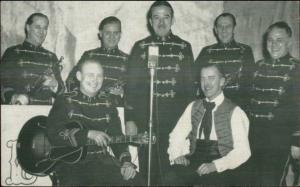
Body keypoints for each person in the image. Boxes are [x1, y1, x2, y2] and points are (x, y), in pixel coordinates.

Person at [125, 1, 195, 184]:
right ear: (150, 21)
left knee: (175, 173)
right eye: (156, 17)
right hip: (146, 120)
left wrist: (190, 125)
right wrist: (130, 119)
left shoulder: (184, 47)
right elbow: (130, 87)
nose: (161, 22)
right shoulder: (140, 47)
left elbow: (190, 90)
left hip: (176, 122)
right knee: (150, 172)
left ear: (173, 20)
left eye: (166, 17)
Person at [46, 59, 143, 186]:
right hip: (71, 166)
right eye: (90, 75)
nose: (95, 80)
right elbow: (53, 133)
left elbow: (116, 135)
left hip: (102, 163)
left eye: (99, 76)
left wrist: (126, 162)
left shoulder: (108, 104)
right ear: (79, 76)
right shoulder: (64, 100)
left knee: (138, 181)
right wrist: (87, 134)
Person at [166, 62, 251, 186]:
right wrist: (177, 155)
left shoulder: (235, 112)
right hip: (194, 160)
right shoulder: (193, 106)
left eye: (211, 78)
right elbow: (176, 135)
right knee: (170, 177)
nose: (206, 84)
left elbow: (243, 151)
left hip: (222, 165)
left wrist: (215, 165)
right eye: (203, 79)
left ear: (222, 81)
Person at [249, 21, 300, 186]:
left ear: (289, 42)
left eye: (279, 40)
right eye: (270, 40)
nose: (274, 44)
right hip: (253, 137)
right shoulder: (258, 67)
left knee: (270, 182)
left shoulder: (297, 69)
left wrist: (297, 142)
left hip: (279, 140)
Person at [194, 13, 255, 111]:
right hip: (211, 107)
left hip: (238, 107)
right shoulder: (206, 51)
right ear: (215, 29)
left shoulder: (246, 51)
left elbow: (250, 84)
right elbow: (195, 81)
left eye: (228, 26)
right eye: (220, 26)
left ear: (234, 28)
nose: (224, 30)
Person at [1, 13, 65, 105]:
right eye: (38, 27)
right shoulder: (12, 52)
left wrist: (55, 85)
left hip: (46, 113)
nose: (42, 32)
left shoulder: (51, 57)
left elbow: (62, 92)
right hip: (19, 112)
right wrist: (13, 97)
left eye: (45, 28)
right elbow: (3, 85)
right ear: (28, 27)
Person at [66, 16, 128, 106]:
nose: (112, 37)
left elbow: (137, 89)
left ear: (120, 35)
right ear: (101, 34)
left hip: (116, 110)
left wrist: (123, 92)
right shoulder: (89, 55)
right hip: (88, 108)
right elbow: (71, 80)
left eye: (116, 33)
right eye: (107, 33)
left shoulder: (129, 60)